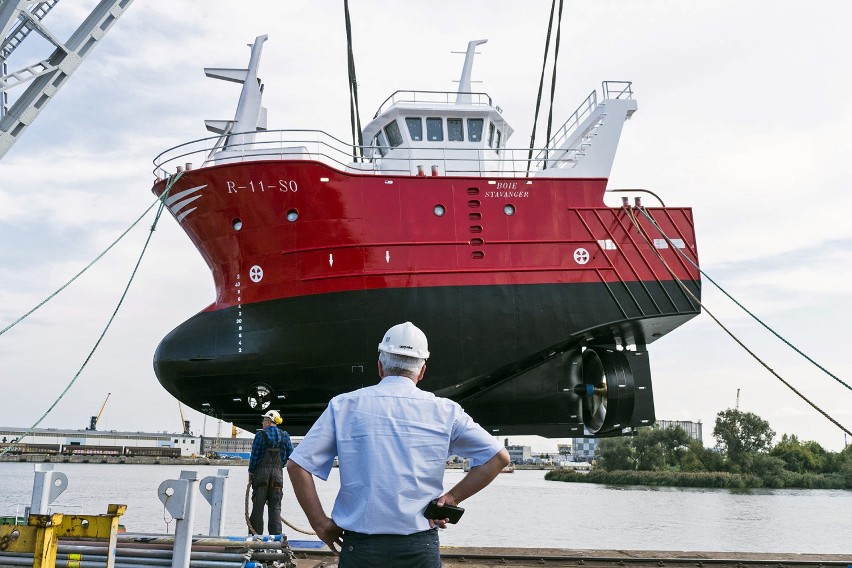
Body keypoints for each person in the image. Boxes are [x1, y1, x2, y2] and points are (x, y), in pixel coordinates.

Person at [287, 322, 510, 567]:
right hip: (419, 548)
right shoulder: (446, 412)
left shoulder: (343, 406)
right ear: (422, 371)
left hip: (360, 549)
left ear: (380, 367)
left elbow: (298, 465)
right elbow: (498, 457)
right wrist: (453, 497)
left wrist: (320, 524)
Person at [248, 409, 294, 535]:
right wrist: (280, 465)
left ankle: (256, 541)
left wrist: (251, 473)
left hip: (261, 476)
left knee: (258, 509)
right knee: (275, 509)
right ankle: (276, 543)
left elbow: (254, 458)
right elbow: (291, 456)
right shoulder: (285, 436)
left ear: (268, 422)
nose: (262, 423)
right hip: (277, 476)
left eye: (264, 420)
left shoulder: (260, 435)